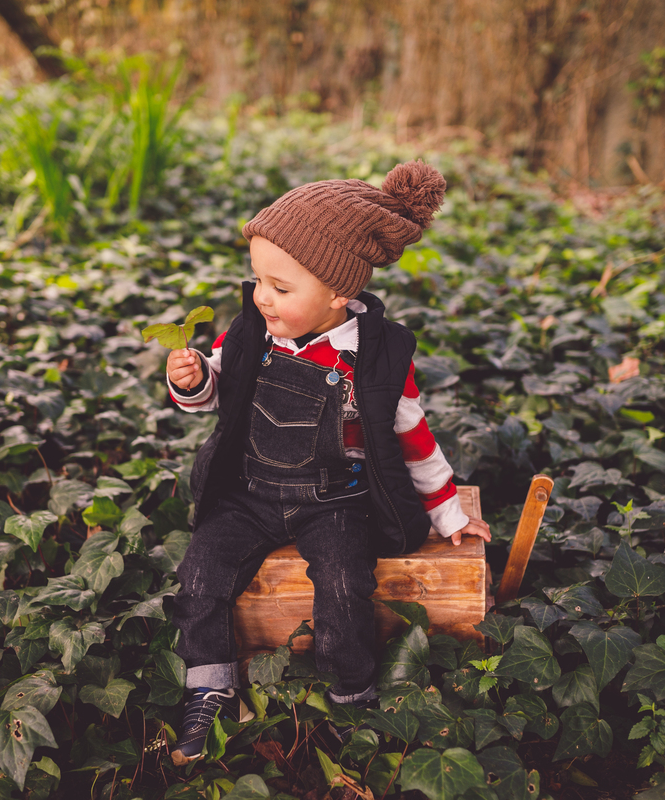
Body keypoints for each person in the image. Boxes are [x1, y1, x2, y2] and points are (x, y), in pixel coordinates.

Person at [163, 161, 491, 765]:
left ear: (339, 293)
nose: (262, 297)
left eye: (281, 288)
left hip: (334, 499)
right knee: (201, 572)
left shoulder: (374, 356)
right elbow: (216, 393)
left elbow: (414, 437)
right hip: (250, 491)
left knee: (344, 585)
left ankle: (351, 697)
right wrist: (193, 379)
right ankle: (210, 686)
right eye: (258, 279)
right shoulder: (252, 331)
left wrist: (449, 514)